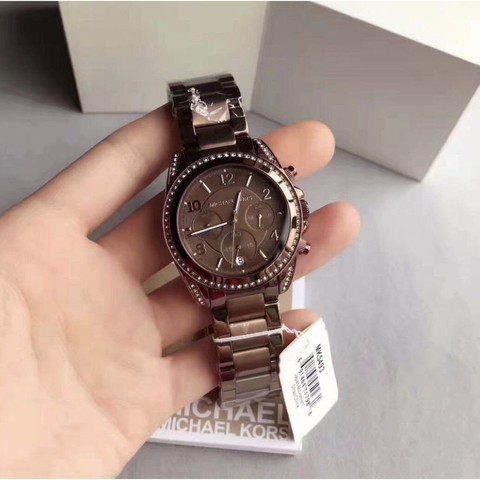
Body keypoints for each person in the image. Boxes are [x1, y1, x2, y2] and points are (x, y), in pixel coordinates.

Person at [0, 105, 360, 477]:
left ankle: (243, 384)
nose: (233, 220)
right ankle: (242, 385)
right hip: (218, 274)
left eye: (239, 214)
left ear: (295, 204)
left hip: (254, 270)